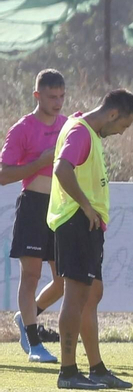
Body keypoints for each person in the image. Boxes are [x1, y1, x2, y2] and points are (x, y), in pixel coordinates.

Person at [48, 89, 133, 389]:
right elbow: (62, 168)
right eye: (123, 125)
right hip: (77, 221)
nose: (119, 132)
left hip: (85, 224)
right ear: (113, 114)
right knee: (75, 295)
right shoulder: (81, 131)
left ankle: (97, 368)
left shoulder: (81, 127)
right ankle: (67, 371)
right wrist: (87, 206)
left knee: (91, 295)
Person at [4, 69, 68, 362]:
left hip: (61, 208)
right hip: (32, 205)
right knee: (30, 276)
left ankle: (27, 317)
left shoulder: (69, 126)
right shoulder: (22, 128)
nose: (57, 102)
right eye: (51, 97)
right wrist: (39, 162)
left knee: (63, 280)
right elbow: (4, 174)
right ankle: (34, 342)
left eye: (61, 96)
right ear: (37, 96)